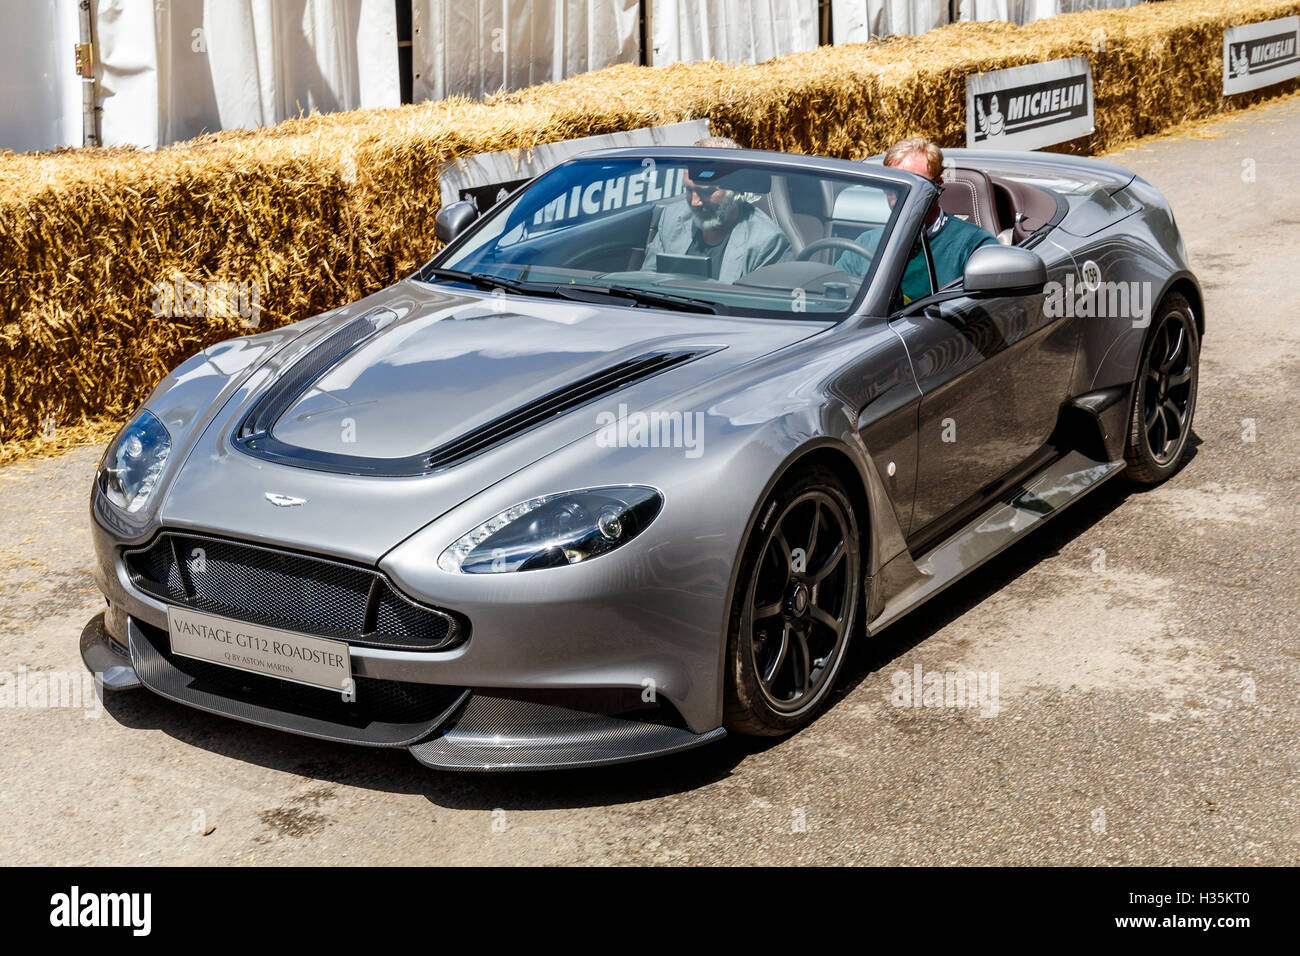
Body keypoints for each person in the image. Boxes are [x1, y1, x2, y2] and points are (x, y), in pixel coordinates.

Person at [835, 136, 998, 304]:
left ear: (939, 185)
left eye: (914, 186)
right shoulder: (865, 244)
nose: (899, 194)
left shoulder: (974, 245)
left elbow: (990, 307)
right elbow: (832, 296)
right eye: (892, 185)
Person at [642, 136, 791, 282]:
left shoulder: (766, 243)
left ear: (735, 190)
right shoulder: (671, 217)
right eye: (688, 190)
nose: (695, 202)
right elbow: (646, 281)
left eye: (706, 192)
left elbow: (759, 304)